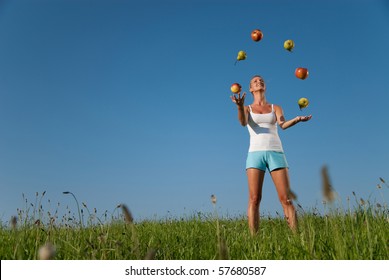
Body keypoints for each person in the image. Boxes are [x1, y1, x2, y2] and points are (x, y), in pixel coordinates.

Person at [230, 75, 312, 235]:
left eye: (261, 80)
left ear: (264, 87)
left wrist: (297, 119)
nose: (258, 82)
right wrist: (240, 107)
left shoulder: (276, 107)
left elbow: (283, 125)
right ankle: (254, 241)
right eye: (254, 81)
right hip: (255, 154)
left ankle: (296, 238)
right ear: (250, 89)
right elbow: (242, 122)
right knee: (254, 199)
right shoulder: (247, 108)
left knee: (286, 199)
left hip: (276, 152)